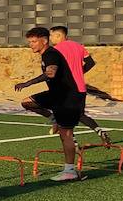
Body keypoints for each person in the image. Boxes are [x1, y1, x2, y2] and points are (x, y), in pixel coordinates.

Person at [14, 27, 85, 182]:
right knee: (27, 102)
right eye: (29, 42)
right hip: (56, 96)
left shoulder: (51, 54)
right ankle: (53, 116)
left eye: (34, 41)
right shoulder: (46, 54)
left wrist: (28, 83)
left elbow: (51, 73)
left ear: (44, 41)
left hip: (68, 98)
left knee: (65, 134)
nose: (31, 45)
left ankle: (70, 171)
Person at [46, 26, 111, 145]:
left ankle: (73, 144)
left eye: (51, 35)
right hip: (80, 88)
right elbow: (90, 62)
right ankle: (100, 131)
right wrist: (80, 71)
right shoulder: (79, 46)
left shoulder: (55, 50)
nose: (50, 38)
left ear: (59, 35)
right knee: (79, 115)